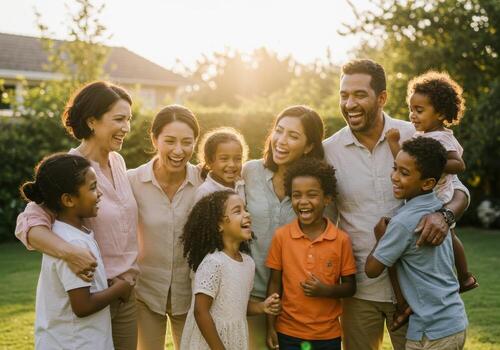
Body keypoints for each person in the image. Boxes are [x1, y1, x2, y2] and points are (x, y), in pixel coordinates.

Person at [322, 59, 470, 350]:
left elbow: (458, 189)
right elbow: (326, 222)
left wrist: (444, 216)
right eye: (344, 95)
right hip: (361, 290)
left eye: (359, 95)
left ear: (382, 97)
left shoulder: (416, 136)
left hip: (418, 291)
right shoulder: (329, 151)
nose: (349, 103)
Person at [15, 81, 139, 350]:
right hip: (93, 292)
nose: (126, 128)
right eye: (119, 119)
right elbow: (28, 224)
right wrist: (70, 252)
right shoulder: (71, 171)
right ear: (92, 121)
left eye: (128, 119)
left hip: (126, 294)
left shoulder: (118, 162)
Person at [21, 153, 132, 350]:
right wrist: (119, 289)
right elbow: (82, 306)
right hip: (76, 343)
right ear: (68, 200)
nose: (99, 194)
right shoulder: (73, 242)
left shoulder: (72, 234)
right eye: (92, 188)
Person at [365, 137, 468, 350]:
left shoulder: (403, 222)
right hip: (453, 320)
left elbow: (372, 269)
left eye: (404, 173)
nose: (394, 177)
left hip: (432, 331)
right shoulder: (437, 208)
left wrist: (381, 237)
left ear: (428, 183)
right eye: (395, 168)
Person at [242, 105, 326, 349]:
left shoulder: (315, 187)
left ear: (309, 146)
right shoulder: (250, 171)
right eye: (279, 131)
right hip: (250, 293)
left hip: (296, 299)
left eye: (293, 136)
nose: (281, 140)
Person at [385, 71, 476, 293]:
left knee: (450, 236)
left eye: (419, 110)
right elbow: (403, 161)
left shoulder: (442, 137)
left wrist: (431, 163)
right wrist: (394, 143)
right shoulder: (419, 137)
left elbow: (459, 164)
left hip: (439, 197)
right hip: (422, 197)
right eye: (411, 110)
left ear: (440, 113)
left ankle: (464, 277)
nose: (412, 116)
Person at [127, 105, 203, 350]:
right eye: (169, 141)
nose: (178, 151)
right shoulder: (131, 181)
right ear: (154, 139)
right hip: (145, 293)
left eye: (187, 142)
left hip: (192, 294)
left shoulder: (205, 181)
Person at [266, 158, 357, 350]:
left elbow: (350, 287)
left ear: (327, 198)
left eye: (312, 195)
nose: (303, 201)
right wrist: (270, 326)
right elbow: (275, 283)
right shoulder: (281, 237)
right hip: (287, 333)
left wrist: (326, 290)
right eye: (296, 195)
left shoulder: (341, 240)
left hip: (327, 336)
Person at [179, 190, 281, 349]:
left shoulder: (248, 263)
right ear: (219, 224)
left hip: (234, 340)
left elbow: (237, 305)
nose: (247, 214)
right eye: (237, 211)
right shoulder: (213, 263)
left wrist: (262, 307)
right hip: (210, 343)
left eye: (245, 209)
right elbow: (201, 312)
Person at [194, 127, 249, 203]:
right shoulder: (205, 192)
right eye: (224, 158)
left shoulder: (241, 184)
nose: (232, 164)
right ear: (209, 161)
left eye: (238, 158)